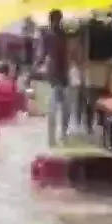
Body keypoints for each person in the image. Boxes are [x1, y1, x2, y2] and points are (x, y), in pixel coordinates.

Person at [37, 9, 73, 145]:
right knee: (56, 108)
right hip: (55, 75)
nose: (58, 22)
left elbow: (42, 54)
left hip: (60, 74)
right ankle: (55, 137)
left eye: (59, 19)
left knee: (63, 108)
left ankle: (59, 135)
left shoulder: (61, 35)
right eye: (56, 19)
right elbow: (43, 54)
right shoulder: (51, 35)